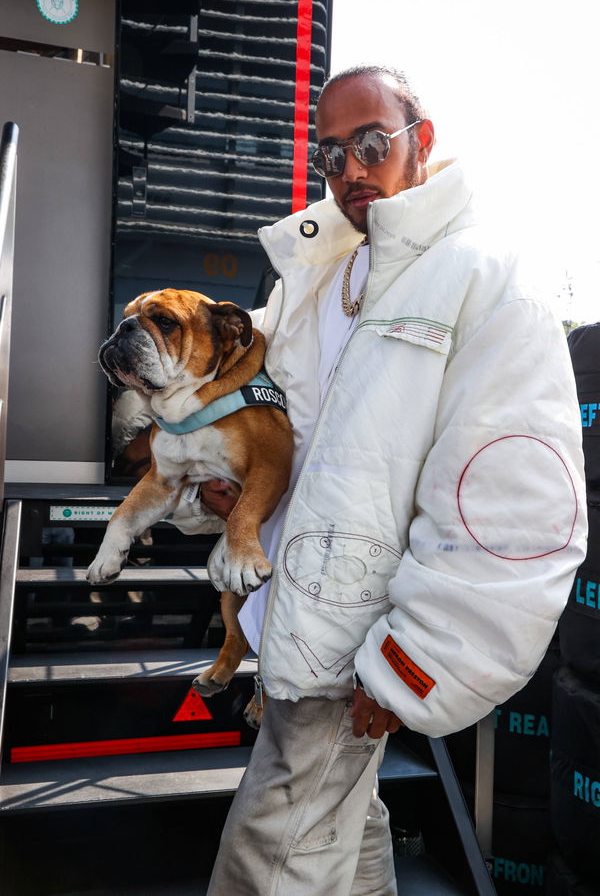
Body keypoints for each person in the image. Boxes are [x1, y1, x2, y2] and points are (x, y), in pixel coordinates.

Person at [199, 66, 587, 895]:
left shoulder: (485, 278)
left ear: (424, 140)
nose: (351, 170)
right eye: (331, 155)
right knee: (349, 831)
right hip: (289, 621)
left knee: (265, 867)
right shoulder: (313, 278)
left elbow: (515, 513)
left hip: (349, 658)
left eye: (373, 143)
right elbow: (286, 440)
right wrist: (233, 493)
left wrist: (412, 666)